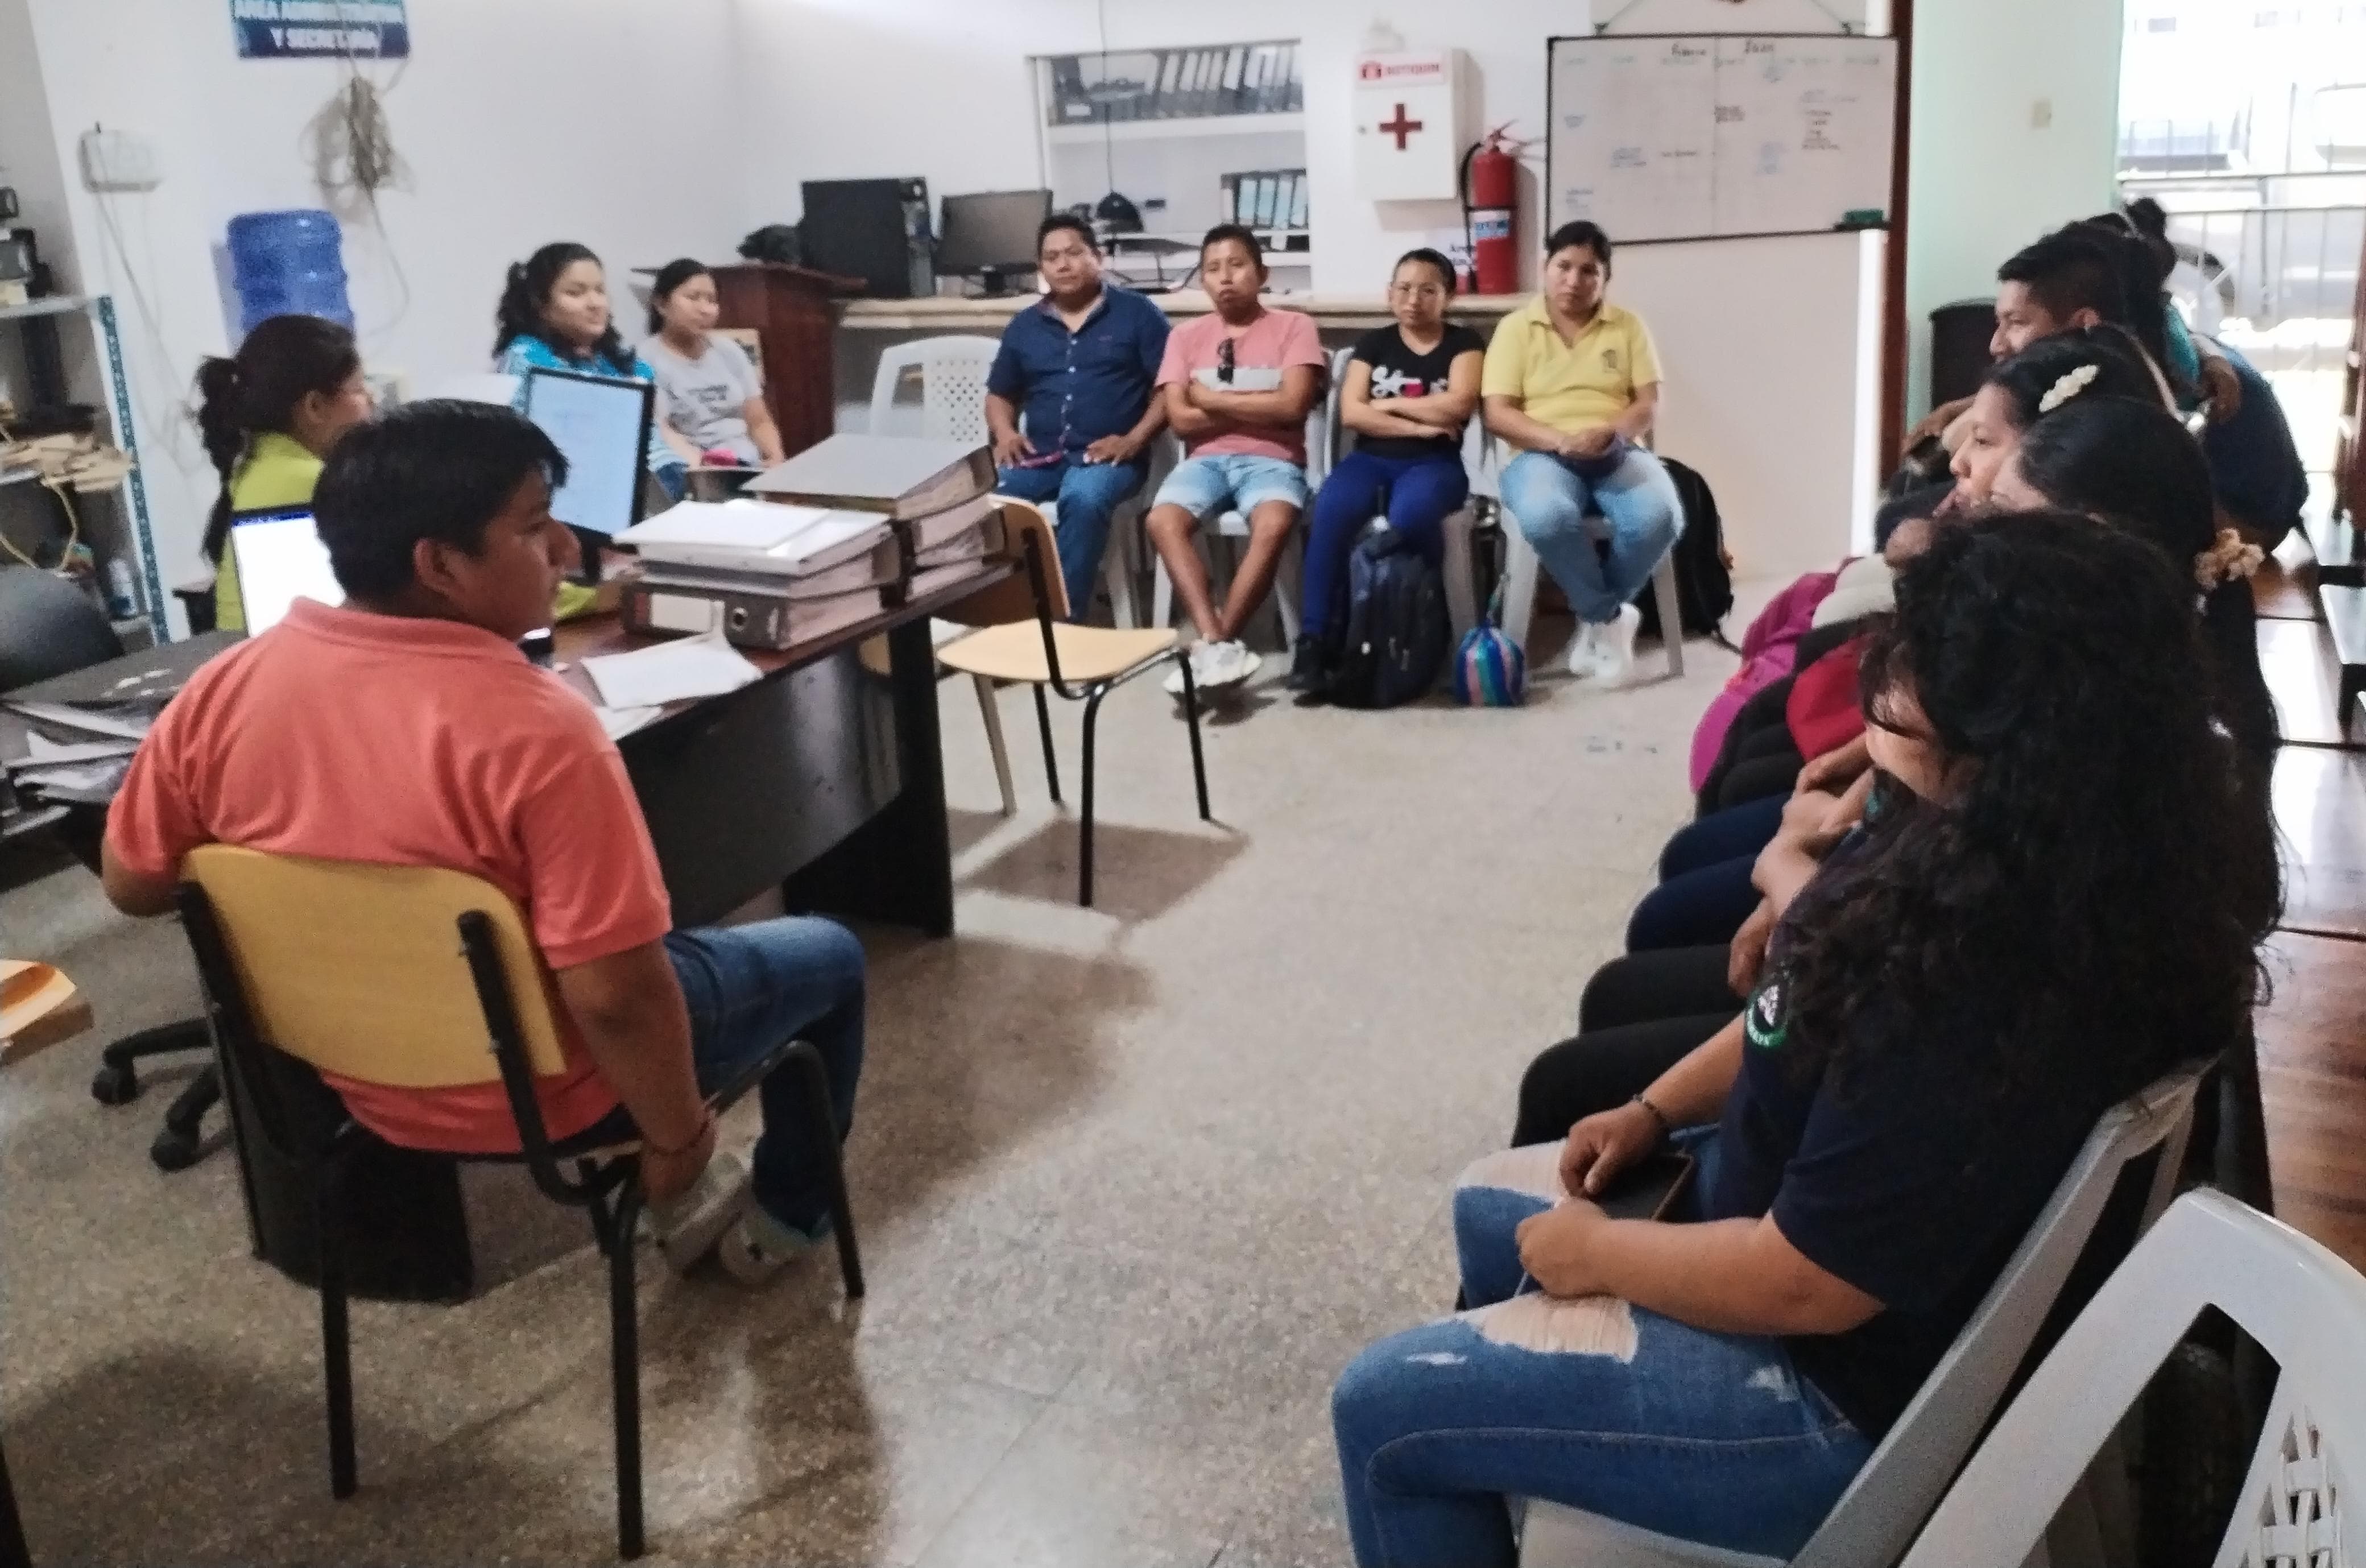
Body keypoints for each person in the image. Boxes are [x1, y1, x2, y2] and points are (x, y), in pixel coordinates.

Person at [1334, 514, 2280, 1567]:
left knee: (1385, 1408)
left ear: (2010, 731)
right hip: (1777, 1240)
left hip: (1819, 1399)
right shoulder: (2017, 848)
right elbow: (1792, 1008)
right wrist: (1653, 1107)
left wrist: (1598, 1253)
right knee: (1490, 1216)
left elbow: (1804, 1283)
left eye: (1916, 669)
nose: (1886, 680)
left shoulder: (1978, 977)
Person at [98, 401, 865, 1284]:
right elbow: (615, 999)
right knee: (831, 957)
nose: (568, 550)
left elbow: (132, 884)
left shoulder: (220, 691)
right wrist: (680, 1139)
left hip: (352, 1083)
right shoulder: (541, 731)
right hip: (547, 1095)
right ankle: (780, 1223)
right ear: (439, 565)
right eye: (535, 528)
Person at [1483, 221, 1682, 686]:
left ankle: (1595, 622)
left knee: (1660, 518)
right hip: (1540, 453)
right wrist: (1559, 440)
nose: (1574, 280)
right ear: (1545, 267)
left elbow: (1648, 404)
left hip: (1616, 450)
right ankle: (1609, 617)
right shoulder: (1515, 329)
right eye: (1564, 266)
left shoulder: (1628, 326)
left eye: (1589, 271)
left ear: (1605, 278)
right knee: (1547, 517)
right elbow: (1498, 413)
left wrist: (1609, 432)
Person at [1289, 248, 1486, 700]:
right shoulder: (1374, 343)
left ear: (1449, 297)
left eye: (1428, 290)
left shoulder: (1464, 342)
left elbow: (1459, 403)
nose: (1413, 299)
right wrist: (1419, 424)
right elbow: (1354, 414)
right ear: (1390, 293)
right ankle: (1315, 641)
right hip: (1370, 459)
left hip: (1436, 463)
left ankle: (1414, 626)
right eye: (1404, 288)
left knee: (1411, 516)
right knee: (1330, 511)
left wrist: (1389, 403)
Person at [1143, 224, 1326, 694]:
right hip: (1204, 462)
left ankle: (1217, 641)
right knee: (1162, 520)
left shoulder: (1295, 327)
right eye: (1212, 269)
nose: (1225, 277)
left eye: (1237, 265)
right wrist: (1259, 404)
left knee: (1274, 525)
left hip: (1274, 459)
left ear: (1262, 274)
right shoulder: (1184, 337)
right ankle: (1217, 639)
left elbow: (1293, 407)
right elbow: (1181, 421)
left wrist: (1212, 399)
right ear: (1203, 280)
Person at [985, 214, 1172, 617]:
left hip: (1110, 457)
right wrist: (1005, 433)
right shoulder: (1024, 326)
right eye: (1051, 258)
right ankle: (1003, 618)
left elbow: (1169, 389)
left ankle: (1063, 624)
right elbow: (1000, 394)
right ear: (1041, 267)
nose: (1063, 265)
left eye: (1073, 253)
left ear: (1097, 258)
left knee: (1083, 500)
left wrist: (1134, 439)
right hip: (1039, 456)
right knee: (986, 503)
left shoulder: (1138, 313)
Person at [191, 315, 373, 634]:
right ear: (315, 407)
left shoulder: (260, 462)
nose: (372, 400)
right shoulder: (311, 480)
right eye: (358, 389)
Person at [494, 242, 686, 496]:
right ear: (541, 304)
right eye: (576, 293)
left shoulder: (621, 360)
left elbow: (657, 432)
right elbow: (533, 451)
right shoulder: (527, 358)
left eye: (600, 290)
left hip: (660, 475)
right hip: (589, 489)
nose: (595, 303)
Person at [640, 258, 786, 470]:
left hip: (749, 465)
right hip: (696, 469)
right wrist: (706, 471)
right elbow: (662, 432)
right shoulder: (646, 360)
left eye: (712, 300)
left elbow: (759, 420)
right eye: (693, 298)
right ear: (661, 304)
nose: (705, 309)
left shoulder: (729, 351)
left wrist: (776, 459)